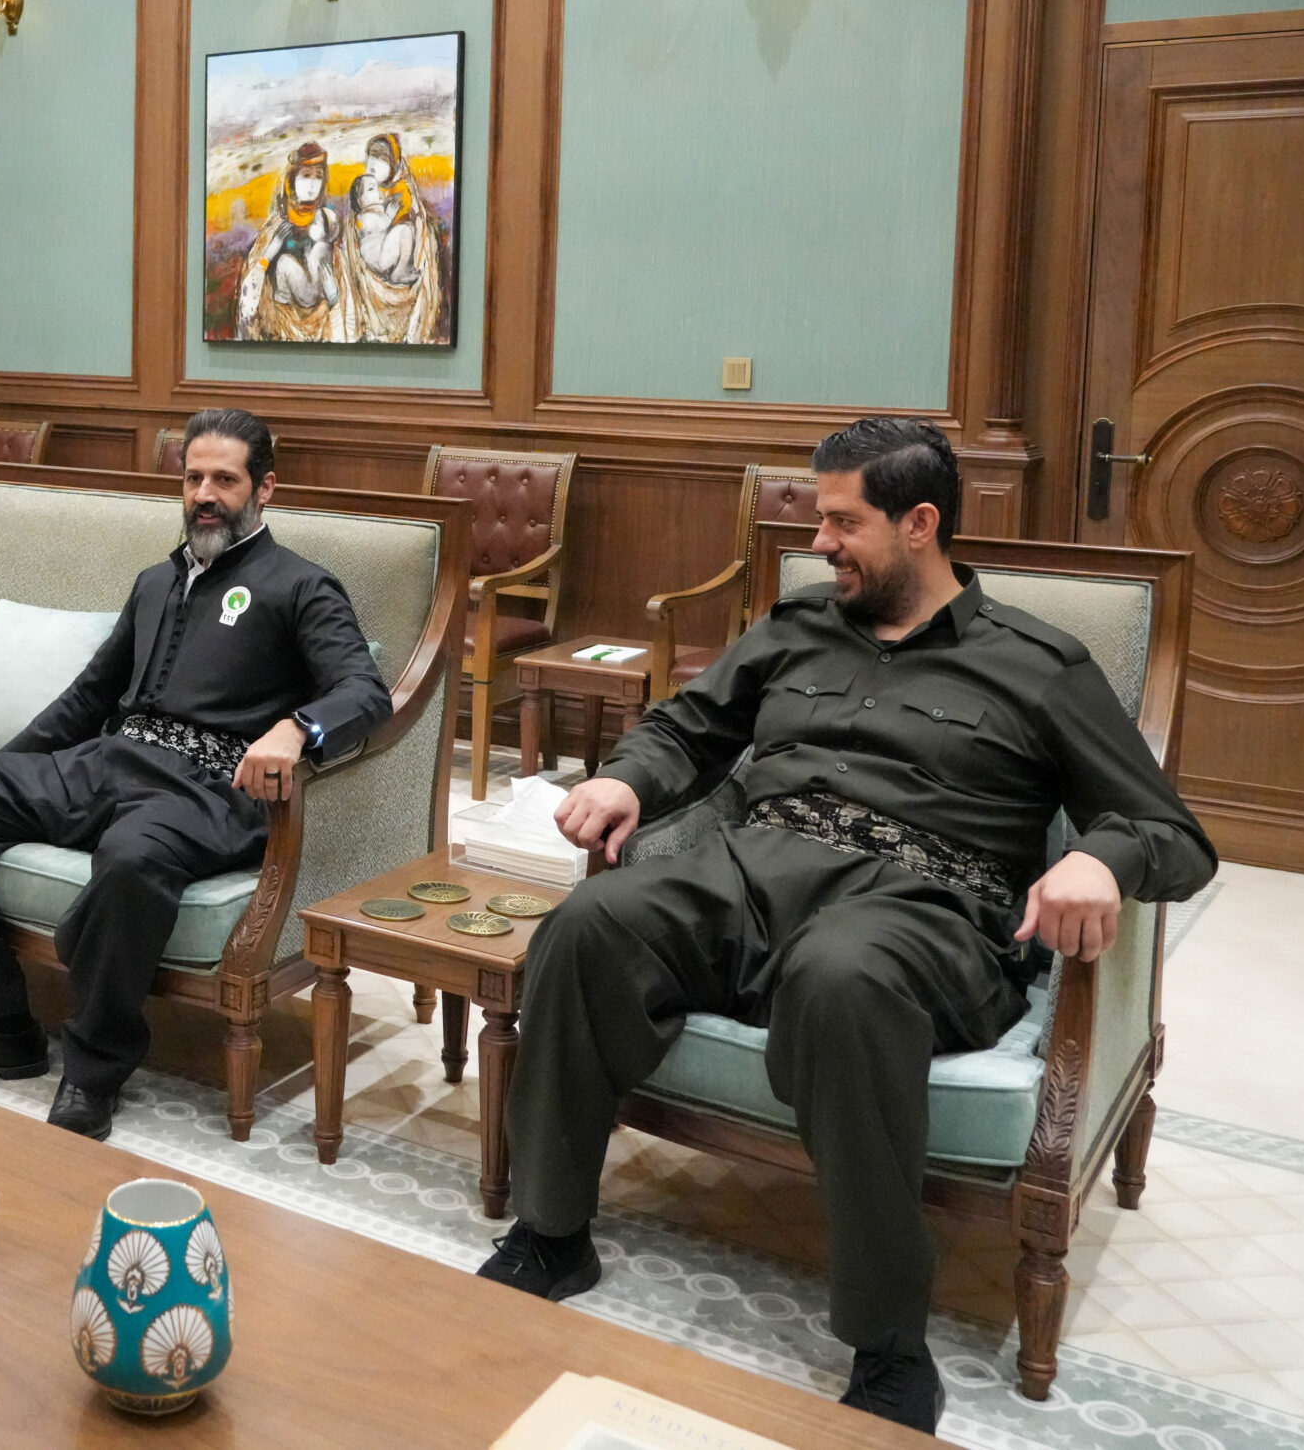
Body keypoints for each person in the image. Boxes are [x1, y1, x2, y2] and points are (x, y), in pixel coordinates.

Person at [475, 416, 1215, 1434]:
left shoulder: (1038, 664)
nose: (818, 542)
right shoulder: (797, 627)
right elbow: (688, 726)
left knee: (840, 976)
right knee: (589, 924)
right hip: (752, 873)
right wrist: (626, 779)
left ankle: (888, 1341)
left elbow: (1174, 834)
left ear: (920, 524)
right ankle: (551, 1232)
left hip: (925, 908)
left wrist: (1102, 855)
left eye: (841, 521)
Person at [0, 407, 392, 1140]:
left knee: (130, 860)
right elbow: (88, 698)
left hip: (208, 791)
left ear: (265, 488)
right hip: (109, 764)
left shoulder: (301, 585)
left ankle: (93, 1070)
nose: (205, 495)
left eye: (225, 480)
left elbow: (365, 692)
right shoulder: (156, 581)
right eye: (193, 478)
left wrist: (296, 729)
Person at [235, 142, 352, 343]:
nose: (312, 184)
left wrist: (334, 298)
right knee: (285, 263)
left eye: (318, 176)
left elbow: (341, 276)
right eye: (306, 175)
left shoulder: (328, 220)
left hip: (326, 326)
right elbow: (250, 293)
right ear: (292, 180)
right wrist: (268, 256)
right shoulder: (277, 225)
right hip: (283, 328)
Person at [339, 132, 447, 345]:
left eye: (381, 159)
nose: (373, 165)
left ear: (393, 164)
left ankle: (402, 277)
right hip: (374, 266)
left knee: (406, 233)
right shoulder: (365, 189)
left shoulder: (403, 189)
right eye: (371, 158)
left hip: (397, 257)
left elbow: (417, 220)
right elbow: (357, 230)